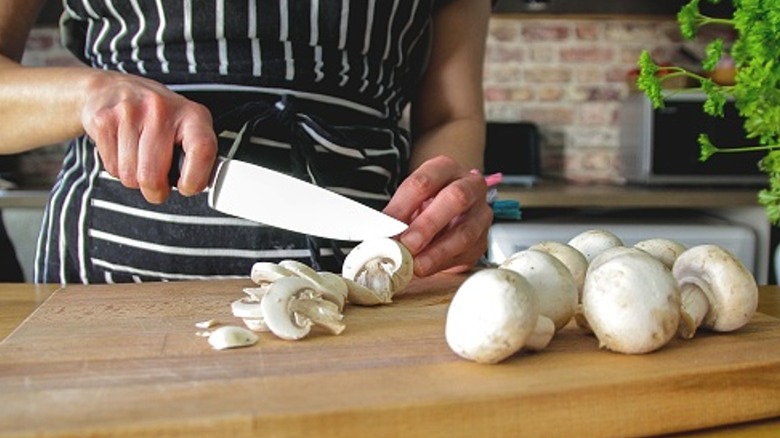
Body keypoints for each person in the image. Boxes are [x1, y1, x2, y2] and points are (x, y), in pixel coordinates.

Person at [0, 0, 493, 284]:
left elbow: (452, 113)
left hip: (367, 286)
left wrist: (440, 214)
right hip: (107, 283)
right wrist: (92, 94)